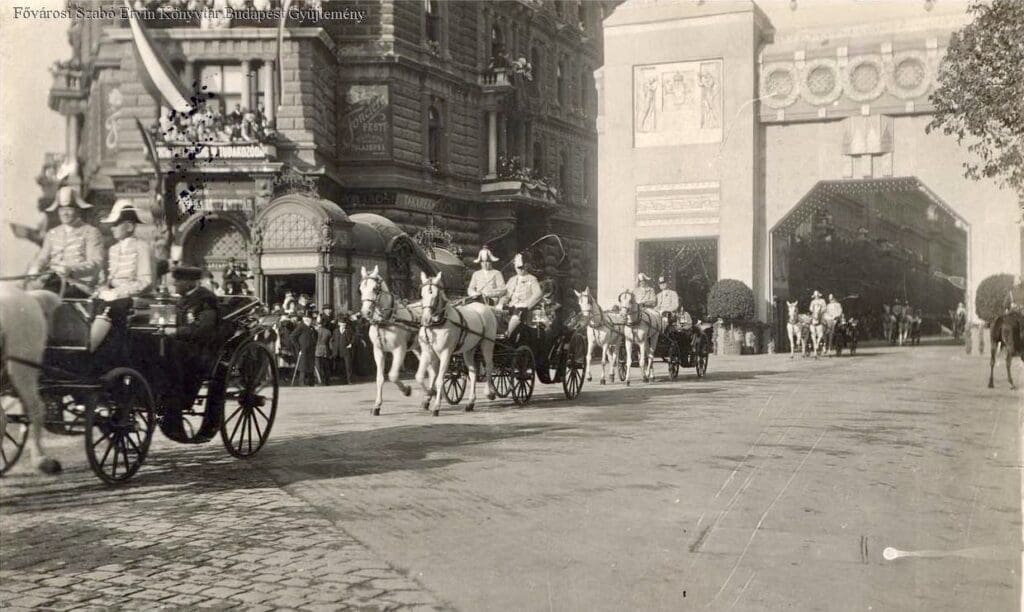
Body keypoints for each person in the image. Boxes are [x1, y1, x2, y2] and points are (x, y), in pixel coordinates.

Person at [160, 265, 221, 436]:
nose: (174, 285)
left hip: (201, 353)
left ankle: (173, 414)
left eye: (178, 281)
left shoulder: (205, 299)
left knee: (170, 356)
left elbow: (204, 329)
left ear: (189, 282)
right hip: (183, 348)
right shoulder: (181, 298)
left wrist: (177, 332)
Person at [89, 201, 154, 353]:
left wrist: (118, 293)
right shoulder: (113, 249)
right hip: (113, 298)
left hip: (134, 299)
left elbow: (146, 281)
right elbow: (110, 279)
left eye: (117, 224)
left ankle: (91, 351)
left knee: (111, 308)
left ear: (130, 226)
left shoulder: (142, 247)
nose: (112, 228)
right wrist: (102, 289)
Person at [26, 186, 105, 297]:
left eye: (69, 209)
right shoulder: (52, 233)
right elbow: (42, 257)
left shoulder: (91, 232)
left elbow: (96, 263)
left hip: (78, 285)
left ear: (78, 210)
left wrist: (70, 269)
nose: (64, 213)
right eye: (61, 209)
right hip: (51, 281)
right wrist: (36, 267)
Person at [503, 253, 543, 340]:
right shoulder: (512, 280)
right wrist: (502, 302)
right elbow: (506, 294)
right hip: (511, 307)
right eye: (518, 268)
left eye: (522, 267)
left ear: (526, 266)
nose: (520, 270)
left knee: (518, 313)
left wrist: (526, 305)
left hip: (524, 311)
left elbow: (538, 294)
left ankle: (508, 335)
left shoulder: (532, 279)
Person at [289, 313, 317, 386]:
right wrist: (298, 347)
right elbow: (292, 337)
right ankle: (302, 382)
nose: (312, 321)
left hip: (311, 349)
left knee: (311, 365)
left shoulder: (312, 327)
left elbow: (315, 336)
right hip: (303, 349)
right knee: (303, 365)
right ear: (307, 320)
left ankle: (311, 382)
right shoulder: (301, 327)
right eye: (311, 319)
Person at [331, 314, 355, 385]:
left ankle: (349, 380)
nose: (343, 325)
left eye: (344, 324)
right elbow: (332, 340)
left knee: (348, 366)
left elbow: (354, 338)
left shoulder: (349, 330)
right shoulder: (336, 331)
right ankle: (342, 380)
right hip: (338, 351)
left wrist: (351, 344)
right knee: (341, 366)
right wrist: (333, 347)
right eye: (342, 324)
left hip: (346, 351)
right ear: (339, 324)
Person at [314, 314, 333, 386]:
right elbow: (330, 343)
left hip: (316, 350)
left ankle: (319, 381)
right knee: (326, 366)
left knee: (318, 366)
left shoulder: (315, 331)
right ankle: (327, 381)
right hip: (325, 350)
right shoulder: (328, 332)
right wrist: (330, 351)